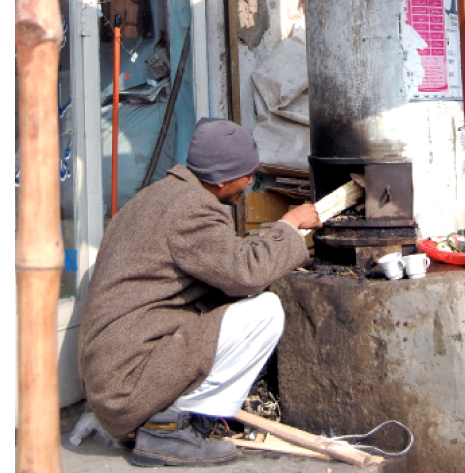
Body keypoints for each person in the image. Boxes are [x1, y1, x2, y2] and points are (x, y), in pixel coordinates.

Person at [78, 117, 321, 467]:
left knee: (230, 306)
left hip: (113, 377)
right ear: (221, 179)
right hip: (126, 386)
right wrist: (290, 225)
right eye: (247, 175)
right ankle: (169, 427)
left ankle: (169, 419)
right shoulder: (193, 208)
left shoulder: (156, 196)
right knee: (264, 311)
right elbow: (245, 274)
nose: (250, 183)